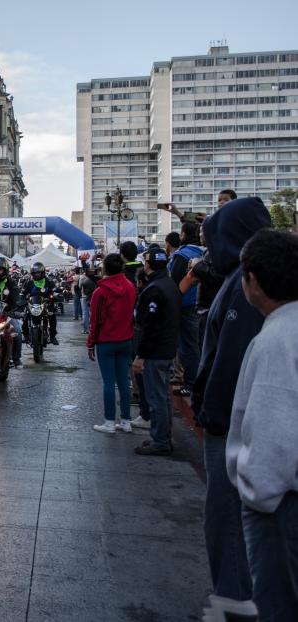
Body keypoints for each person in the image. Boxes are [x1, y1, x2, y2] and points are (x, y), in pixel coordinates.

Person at [194, 196, 271, 601]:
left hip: (231, 426)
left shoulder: (247, 284)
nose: (208, 251)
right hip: (240, 422)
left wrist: (213, 413)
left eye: (212, 240)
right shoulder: (237, 279)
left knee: (227, 520)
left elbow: (231, 359)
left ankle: (235, 602)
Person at [226, 229, 298, 619]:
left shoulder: (277, 340)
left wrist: (255, 494)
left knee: (277, 605)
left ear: (252, 280)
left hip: (279, 505)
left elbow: (273, 433)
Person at [132, 248, 181, 455]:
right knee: (163, 396)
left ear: (149, 264)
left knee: (156, 397)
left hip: (156, 351)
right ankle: (162, 436)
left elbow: (150, 326)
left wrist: (141, 355)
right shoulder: (169, 285)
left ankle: (160, 441)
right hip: (167, 347)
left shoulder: (155, 289)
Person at [86, 254, 136, 434]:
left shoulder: (101, 292)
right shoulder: (130, 287)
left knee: (108, 382)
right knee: (123, 381)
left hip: (106, 342)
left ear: (104, 268)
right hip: (126, 340)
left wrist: (91, 343)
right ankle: (125, 420)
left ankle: (109, 422)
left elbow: (96, 320)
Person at [167, 222, 204, 398]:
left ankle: (190, 383)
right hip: (201, 303)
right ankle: (192, 380)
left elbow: (174, 283)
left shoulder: (181, 255)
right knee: (197, 343)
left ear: (182, 235)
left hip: (184, 304)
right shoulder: (204, 252)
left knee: (188, 345)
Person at [21, 262, 58, 345]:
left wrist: (54, 296)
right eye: (35, 273)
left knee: (52, 315)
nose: (37, 274)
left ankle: (52, 336)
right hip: (32, 305)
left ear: (42, 272)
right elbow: (23, 293)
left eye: (38, 272)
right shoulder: (29, 282)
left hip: (45, 304)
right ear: (32, 273)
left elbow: (53, 291)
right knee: (25, 317)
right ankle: (26, 335)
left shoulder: (48, 282)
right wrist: (22, 298)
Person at [79, 267, 99, 335]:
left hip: (84, 297)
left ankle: (85, 329)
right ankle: (92, 328)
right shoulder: (95, 278)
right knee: (92, 312)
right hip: (93, 296)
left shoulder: (82, 278)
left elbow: (79, 286)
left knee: (85, 313)